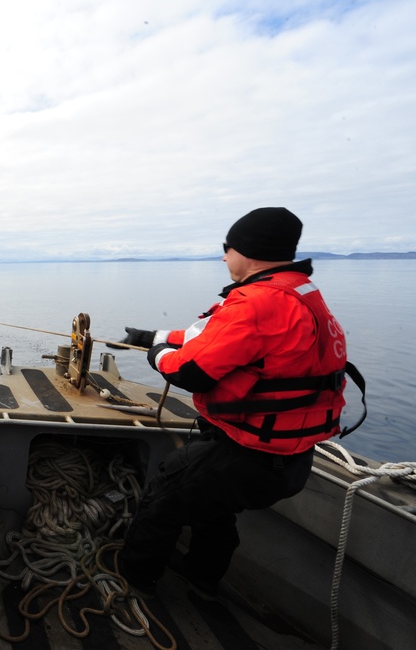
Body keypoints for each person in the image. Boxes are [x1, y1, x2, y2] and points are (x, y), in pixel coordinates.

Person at [115, 207, 356, 602]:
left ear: (249, 252)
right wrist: (153, 334)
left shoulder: (258, 303)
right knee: (211, 501)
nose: (224, 257)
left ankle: (133, 583)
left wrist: (156, 354)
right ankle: (202, 575)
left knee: (165, 494)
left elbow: (190, 371)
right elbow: (213, 336)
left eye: (228, 249)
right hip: (291, 457)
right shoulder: (297, 293)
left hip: (252, 453)